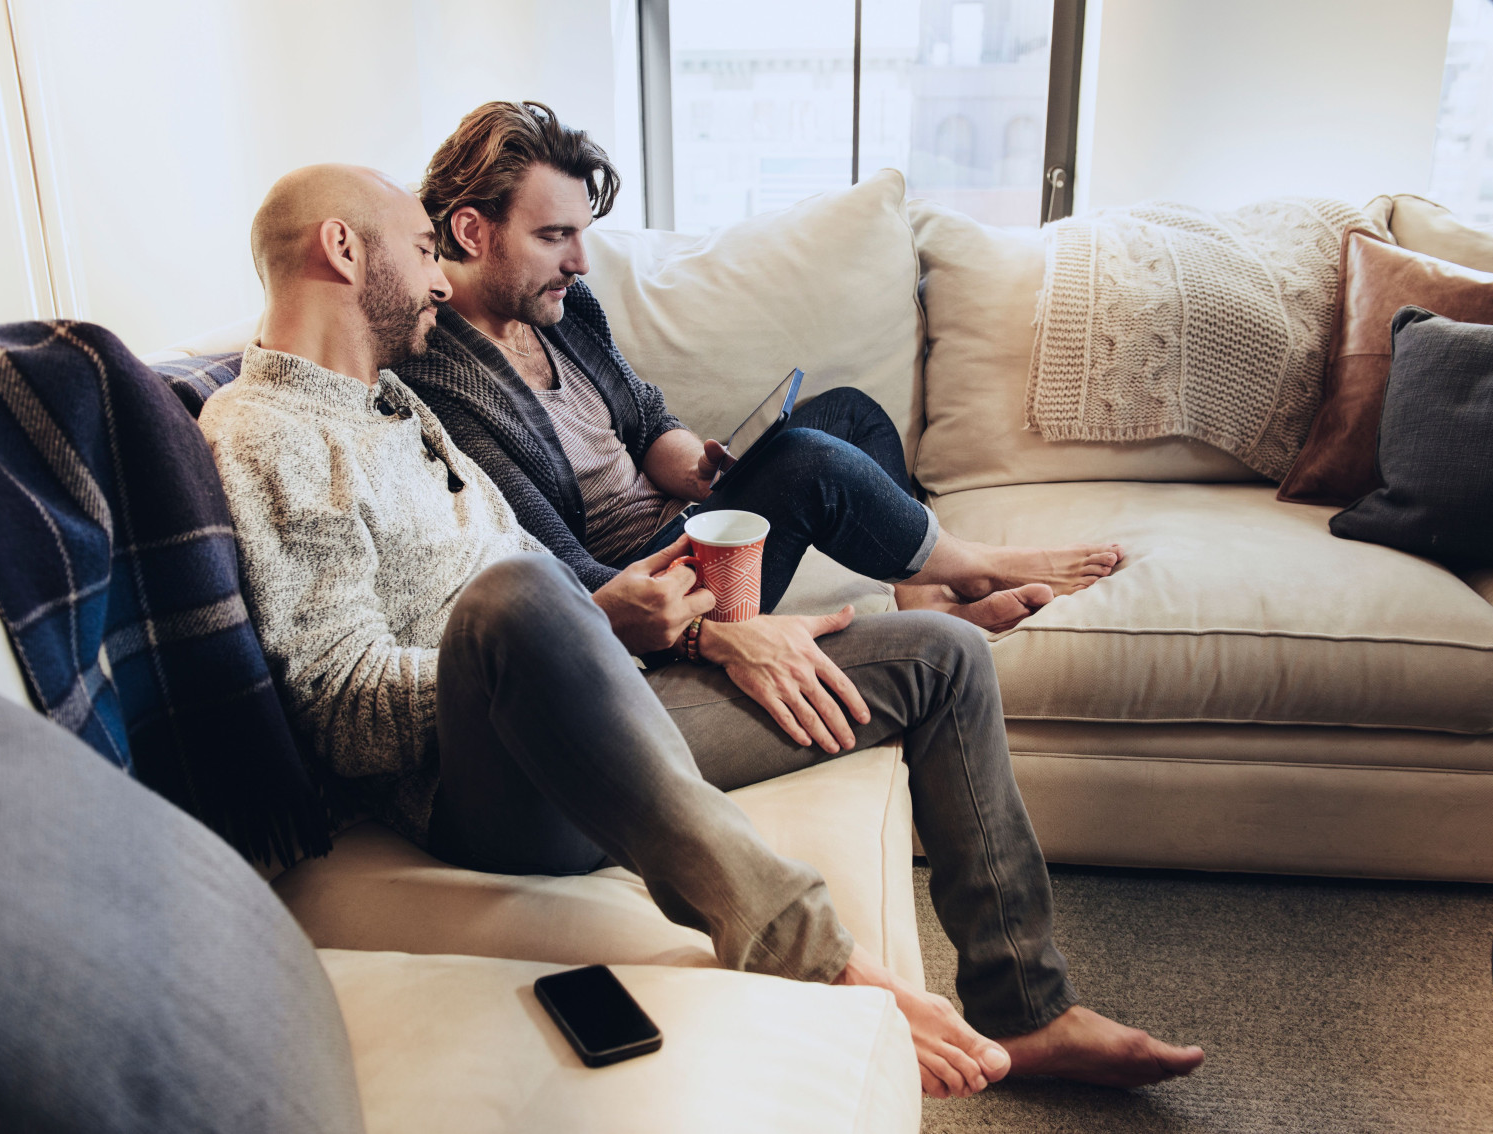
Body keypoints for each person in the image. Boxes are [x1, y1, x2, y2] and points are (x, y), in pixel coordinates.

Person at [198, 162, 1203, 1100]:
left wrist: (664, 634)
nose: (435, 281)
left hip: (588, 698)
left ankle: (1024, 1007)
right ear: (340, 250)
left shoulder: (394, 402)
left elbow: (559, 565)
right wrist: (573, 630)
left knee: (941, 656)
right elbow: (339, 709)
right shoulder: (268, 434)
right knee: (518, 602)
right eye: (422, 250)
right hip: (483, 786)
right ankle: (811, 949)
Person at [396, 101, 1121, 636]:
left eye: (582, 235)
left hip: (683, 516)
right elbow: (550, 564)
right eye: (555, 236)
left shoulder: (564, 307)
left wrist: (699, 468)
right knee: (807, 460)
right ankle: (973, 566)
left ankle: (924, 596)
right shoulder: (442, 381)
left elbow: (645, 417)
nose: (581, 263)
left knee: (850, 415)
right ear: (471, 230)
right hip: (654, 585)